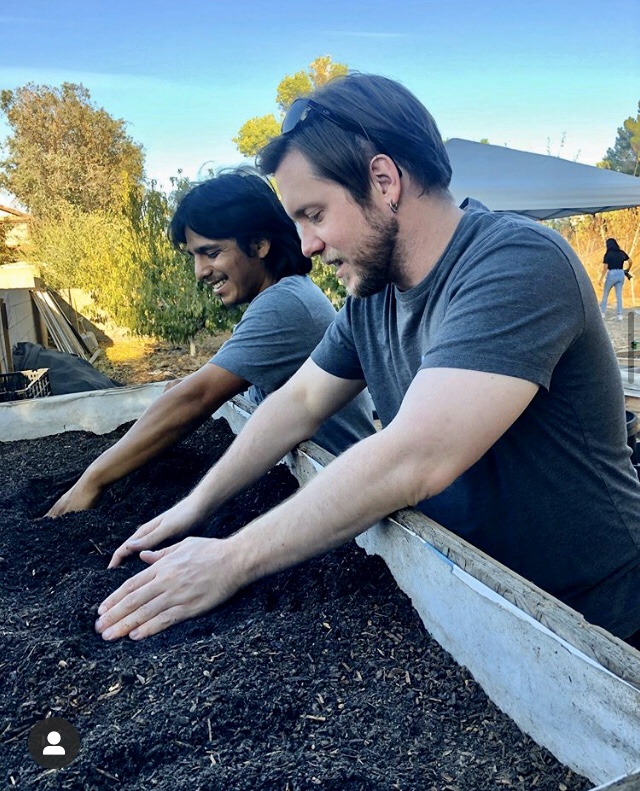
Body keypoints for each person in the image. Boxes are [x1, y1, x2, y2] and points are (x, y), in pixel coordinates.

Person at [94, 74, 640, 650]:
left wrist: (229, 561)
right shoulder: (371, 298)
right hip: (476, 603)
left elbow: (415, 456)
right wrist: (195, 507)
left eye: (314, 214)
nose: (304, 245)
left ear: (383, 181)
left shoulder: (517, 261)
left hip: (598, 624)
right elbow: (298, 403)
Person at [47, 168, 374, 517]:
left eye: (212, 253)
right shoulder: (282, 296)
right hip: (310, 481)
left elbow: (196, 398)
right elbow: (199, 386)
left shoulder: (284, 304)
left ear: (260, 244)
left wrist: (91, 481)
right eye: (194, 256)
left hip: (337, 498)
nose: (200, 271)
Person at [599, 237, 632, 321]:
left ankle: (602, 313)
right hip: (621, 273)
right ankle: (619, 315)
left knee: (606, 294)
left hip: (612, 274)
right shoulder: (621, 253)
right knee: (618, 295)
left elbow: (605, 268)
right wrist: (627, 270)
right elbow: (630, 261)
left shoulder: (608, 254)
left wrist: (601, 279)